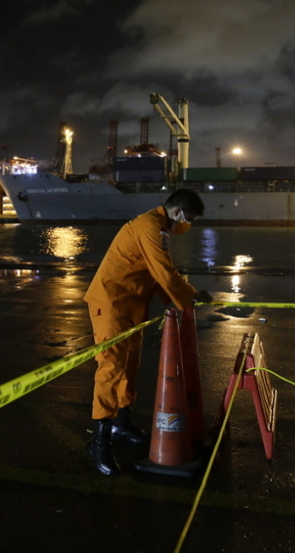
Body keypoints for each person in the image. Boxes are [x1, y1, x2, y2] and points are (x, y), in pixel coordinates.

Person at [83, 188, 213, 475]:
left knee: (130, 365)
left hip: (130, 303)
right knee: (111, 369)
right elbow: (163, 271)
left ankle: (121, 422)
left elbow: (157, 273)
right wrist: (189, 298)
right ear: (178, 212)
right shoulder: (149, 227)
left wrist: (188, 295)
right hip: (112, 303)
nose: (189, 225)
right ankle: (99, 439)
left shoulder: (157, 227)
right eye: (190, 219)